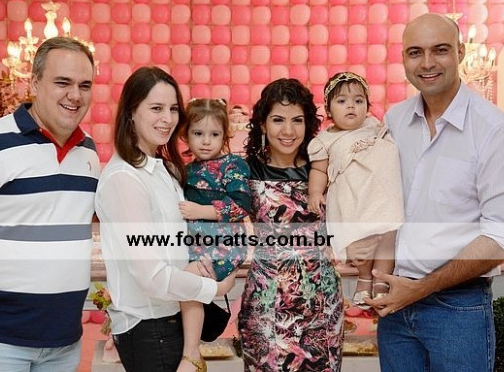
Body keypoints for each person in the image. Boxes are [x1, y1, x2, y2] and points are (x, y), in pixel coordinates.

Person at [365, 13, 504, 372]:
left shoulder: (494, 130)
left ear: (460, 52)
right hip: (395, 304)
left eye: (440, 50)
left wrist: (420, 288)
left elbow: (502, 236)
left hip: (458, 309)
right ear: (404, 58)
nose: (427, 63)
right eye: (415, 52)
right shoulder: (394, 121)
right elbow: (383, 205)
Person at [0, 36, 100, 372]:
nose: (75, 95)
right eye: (63, 82)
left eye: (84, 85)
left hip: (65, 343)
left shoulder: (87, 151)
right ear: (35, 83)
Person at [94, 67, 236, 372]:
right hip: (150, 328)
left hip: (172, 319)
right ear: (131, 112)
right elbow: (151, 276)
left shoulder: (165, 170)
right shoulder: (124, 179)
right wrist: (215, 289)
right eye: (156, 108)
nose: (168, 118)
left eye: (173, 109)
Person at [238, 78, 343, 372]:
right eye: (278, 120)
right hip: (266, 302)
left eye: (297, 120)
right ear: (262, 124)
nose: (288, 131)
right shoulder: (245, 170)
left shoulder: (324, 167)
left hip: (321, 302)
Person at [307, 71, 404, 309]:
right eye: (342, 101)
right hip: (352, 197)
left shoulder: (374, 127)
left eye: (358, 101)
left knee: (387, 236)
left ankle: (381, 280)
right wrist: (315, 192)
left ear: (367, 107)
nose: (351, 106)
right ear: (328, 109)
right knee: (362, 239)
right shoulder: (324, 140)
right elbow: (319, 170)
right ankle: (365, 277)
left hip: (381, 194)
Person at [177, 98, 251, 372]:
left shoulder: (232, 166)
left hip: (224, 245)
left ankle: (191, 353)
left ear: (225, 135)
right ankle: (191, 349)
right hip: (197, 245)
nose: (206, 141)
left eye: (214, 134)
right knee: (185, 287)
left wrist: (201, 210)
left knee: (188, 281)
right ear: (185, 135)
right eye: (198, 133)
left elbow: (241, 205)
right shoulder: (187, 169)